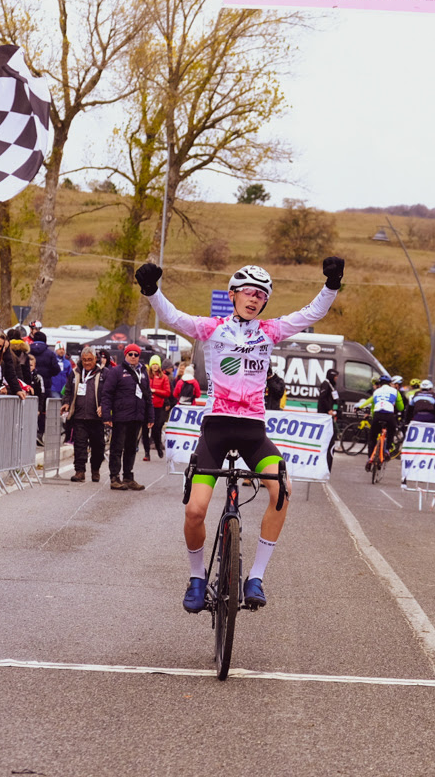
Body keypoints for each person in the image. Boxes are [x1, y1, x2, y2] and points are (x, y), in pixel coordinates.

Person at [136, 257, 344, 611]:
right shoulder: (212, 328)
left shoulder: (270, 331)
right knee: (195, 511)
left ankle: (256, 578)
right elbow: (174, 317)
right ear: (232, 294)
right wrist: (152, 291)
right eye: (248, 292)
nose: (255, 299)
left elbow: (310, 314)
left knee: (283, 491)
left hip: (253, 432)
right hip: (216, 429)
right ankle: (197, 577)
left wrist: (332, 284)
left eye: (261, 295)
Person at [100, 343, 154, 491]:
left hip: (137, 416)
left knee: (131, 448)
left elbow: (148, 395)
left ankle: (128, 477)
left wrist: (150, 417)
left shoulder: (143, 372)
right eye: (130, 354)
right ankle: (114, 477)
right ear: (125, 355)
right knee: (117, 447)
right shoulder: (116, 371)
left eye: (136, 354)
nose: (133, 357)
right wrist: (106, 415)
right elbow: (107, 394)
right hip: (121, 416)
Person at [62, 347, 107, 482]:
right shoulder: (75, 373)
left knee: (98, 446)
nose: (87, 363)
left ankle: (95, 469)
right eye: (84, 360)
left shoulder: (104, 373)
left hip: (96, 417)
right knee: (80, 445)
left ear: (95, 359)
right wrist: (66, 403)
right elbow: (68, 390)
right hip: (79, 416)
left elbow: (108, 393)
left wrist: (104, 406)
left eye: (90, 360)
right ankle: (79, 471)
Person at [362, 375, 404, 470]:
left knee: (372, 437)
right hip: (389, 415)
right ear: (390, 383)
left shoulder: (376, 391)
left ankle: (370, 458)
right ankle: (387, 450)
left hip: (377, 415)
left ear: (380, 383)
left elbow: (374, 404)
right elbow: (401, 407)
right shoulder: (395, 391)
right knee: (391, 431)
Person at [144, 355, 171, 460]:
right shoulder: (146, 376)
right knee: (145, 430)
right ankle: (147, 453)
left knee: (156, 429)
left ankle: (158, 446)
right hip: (146, 406)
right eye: (153, 364)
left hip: (158, 407)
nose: (154, 366)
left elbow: (167, 392)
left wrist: (155, 391)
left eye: (156, 364)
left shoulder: (164, 377)